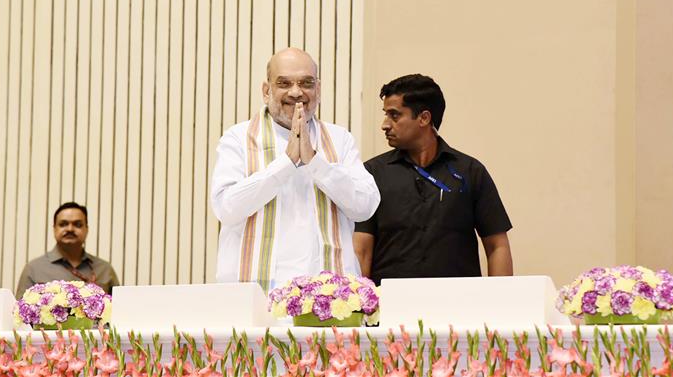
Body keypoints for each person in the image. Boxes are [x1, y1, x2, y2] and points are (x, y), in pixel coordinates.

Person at [210, 48, 380, 291]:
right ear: (266, 90)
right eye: (284, 83)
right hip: (256, 299)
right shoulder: (238, 138)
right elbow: (226, 208)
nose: (296, 92)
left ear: (318, 90)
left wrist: (315, 163)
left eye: (306, 83)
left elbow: (365, 207)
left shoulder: (338, 139)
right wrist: (286, 163)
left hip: (328, 298)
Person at [353, 74, 513, 285]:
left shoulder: (470, 171)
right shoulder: (372, 173)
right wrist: (360, 309)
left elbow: (497, 246)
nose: (385, 125)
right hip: (390, 306)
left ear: (424, 118)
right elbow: (361, 249)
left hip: (459, 305)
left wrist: (500, 304)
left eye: (394, 115)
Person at [15, 202, 119, 297]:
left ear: (86, 229)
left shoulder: (105, 270)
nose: (70, 229)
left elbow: (120, 311)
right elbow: (20, 312)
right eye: (63, 224)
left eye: (77, 224)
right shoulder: (34, 269)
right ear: (54, 228)